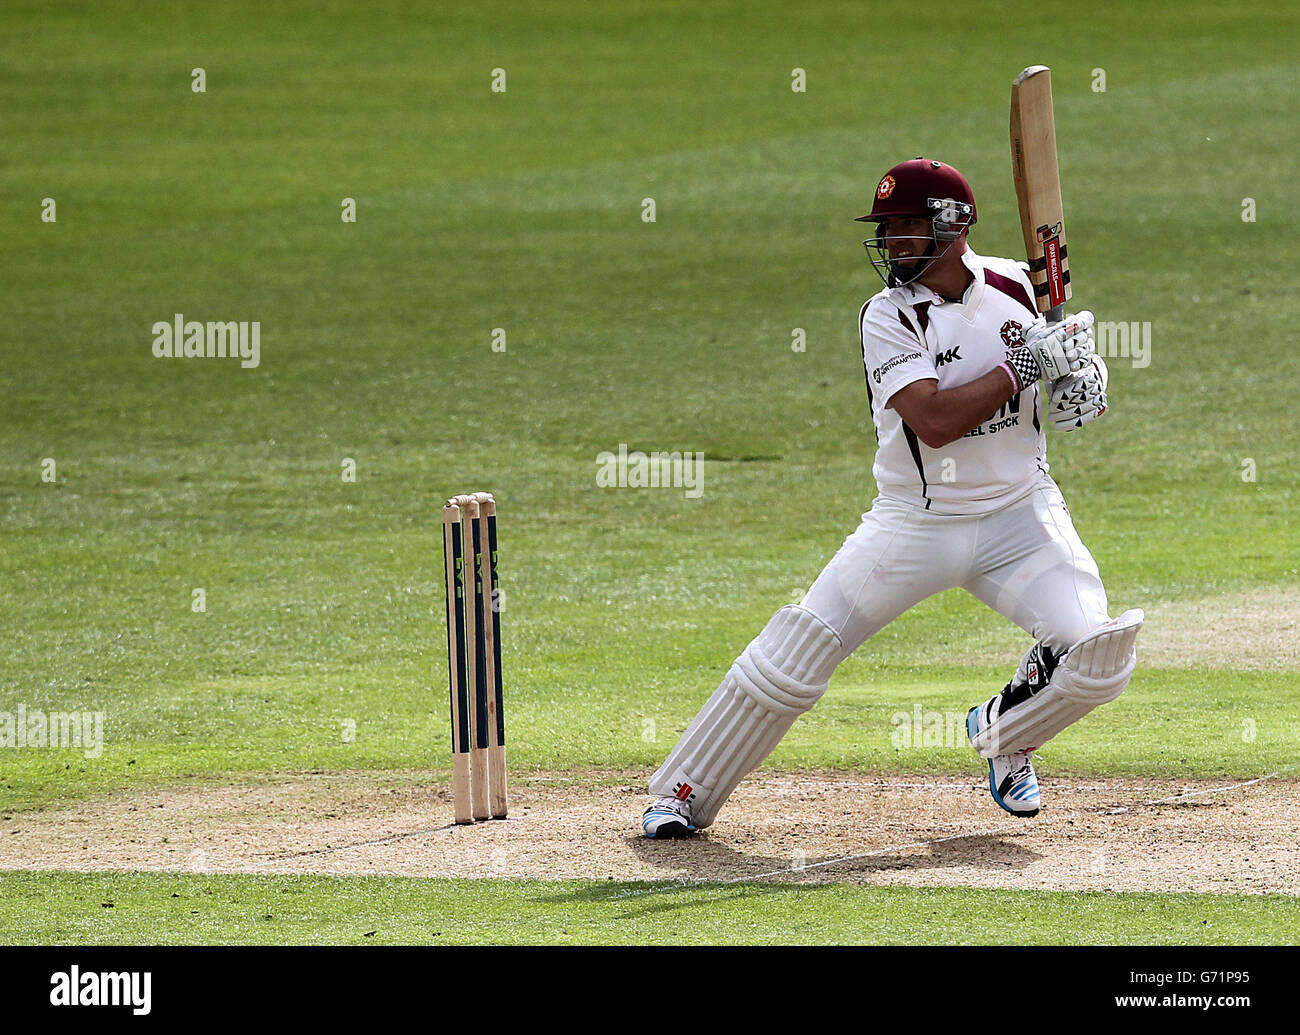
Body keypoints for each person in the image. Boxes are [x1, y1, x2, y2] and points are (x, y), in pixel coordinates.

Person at [642, 158, 1142, 838]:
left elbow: (1061, 386)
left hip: (1021, 515)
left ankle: (1007, 730)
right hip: (915, 524)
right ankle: (681, 790)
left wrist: (1079, 378)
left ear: (953, 224)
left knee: (1099, 655)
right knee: (797, 652)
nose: (892, 242)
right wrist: (1025, 365)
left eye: (906, 226)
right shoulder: (886, 316)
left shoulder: (1018, 289)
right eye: (888, 229)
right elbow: (933, 422)